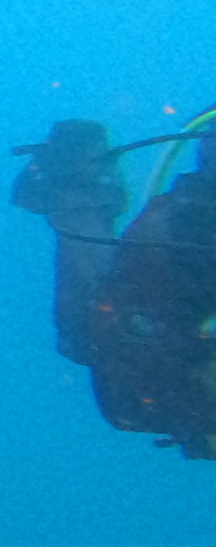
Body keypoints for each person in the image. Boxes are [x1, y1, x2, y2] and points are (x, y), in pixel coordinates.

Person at [13, 107, 216, 458]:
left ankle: (77, 186)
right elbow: (104, 349)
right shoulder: (173, 236)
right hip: (160, 374)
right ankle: (77, 186)